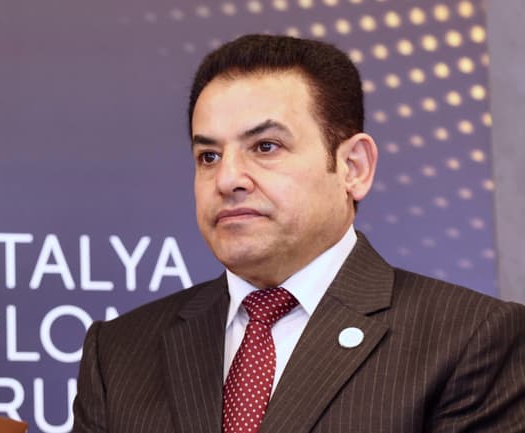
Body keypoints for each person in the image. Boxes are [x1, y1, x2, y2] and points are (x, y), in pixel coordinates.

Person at [72, 34, 525, 433]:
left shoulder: (470, 339)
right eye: (208, 156)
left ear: (353, 167)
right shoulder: (118, 353)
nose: (227, 179)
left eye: (265, 147)